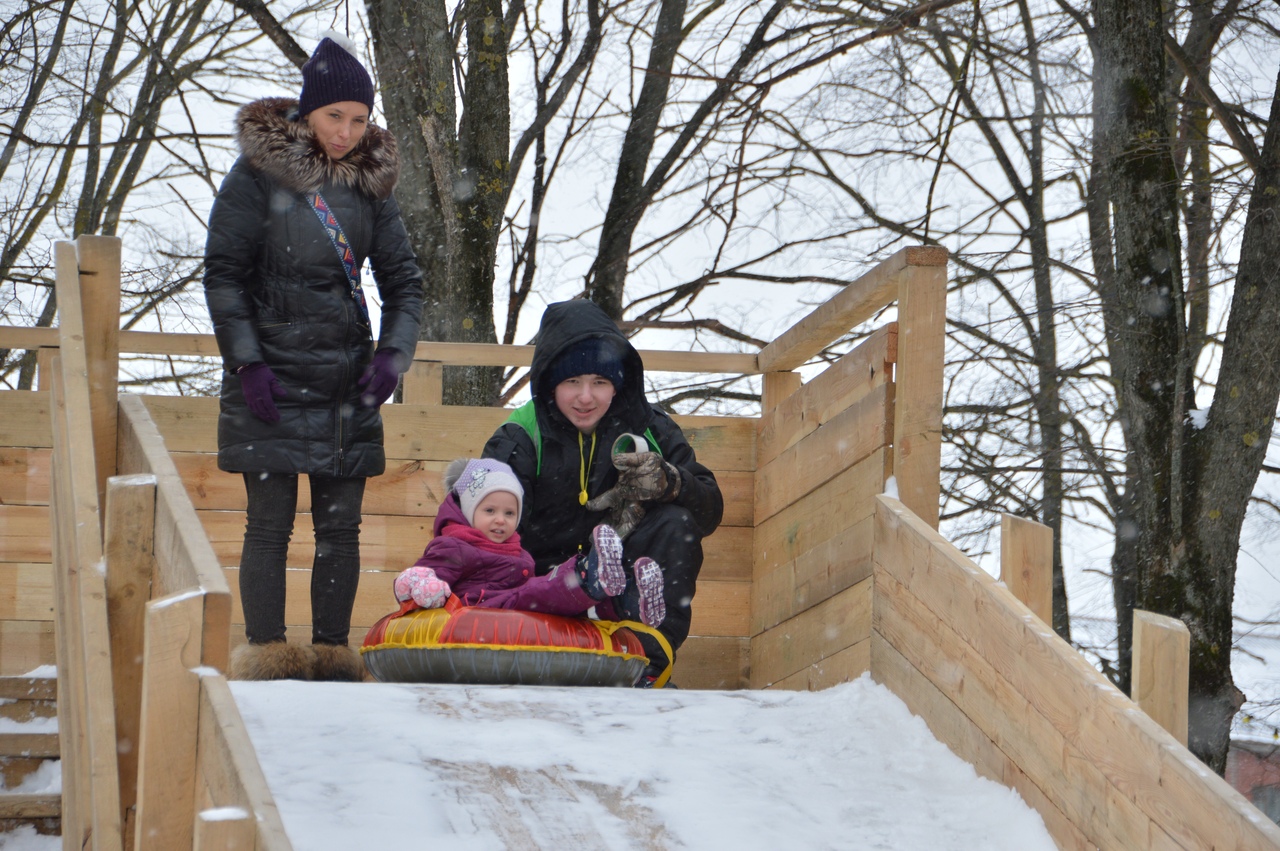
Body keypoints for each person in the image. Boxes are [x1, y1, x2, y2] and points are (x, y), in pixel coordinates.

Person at [203, 31, 424, 681]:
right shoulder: (257, 175)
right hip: (267, 377)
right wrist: (247, 362)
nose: (346, 131)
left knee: (341, 528)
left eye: (359, 119)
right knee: (268, 525)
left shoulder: (370, 187)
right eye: (335, 116)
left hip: (344, 383)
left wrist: (393, 357)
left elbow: (405, 283)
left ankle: (332, 654)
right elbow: (223, 273)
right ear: (307, 112)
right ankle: (266, 653)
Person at [483, 300, 724, 686]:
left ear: (617, 383)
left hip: (624, 588)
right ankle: (533, 660)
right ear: (550, 383)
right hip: (543, 589)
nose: (586, 397)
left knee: (676, 521)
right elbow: (487, 526)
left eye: (600, 382)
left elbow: (709, 512)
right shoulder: (520, 435)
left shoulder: (650, 427)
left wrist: (672, 483)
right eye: (571, 382)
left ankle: (644, 664)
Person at [393, 458, 665, 626]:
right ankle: (588, 573)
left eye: (509, 513)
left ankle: (627, 600)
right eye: (490, 511)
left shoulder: (518, 551)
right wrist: (422, 583)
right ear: (468, 512)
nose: (501, 520)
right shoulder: (454, 545)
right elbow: (422, 576)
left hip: (515, 610)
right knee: (541, 589)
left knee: (559, 602)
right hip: (482, 610)